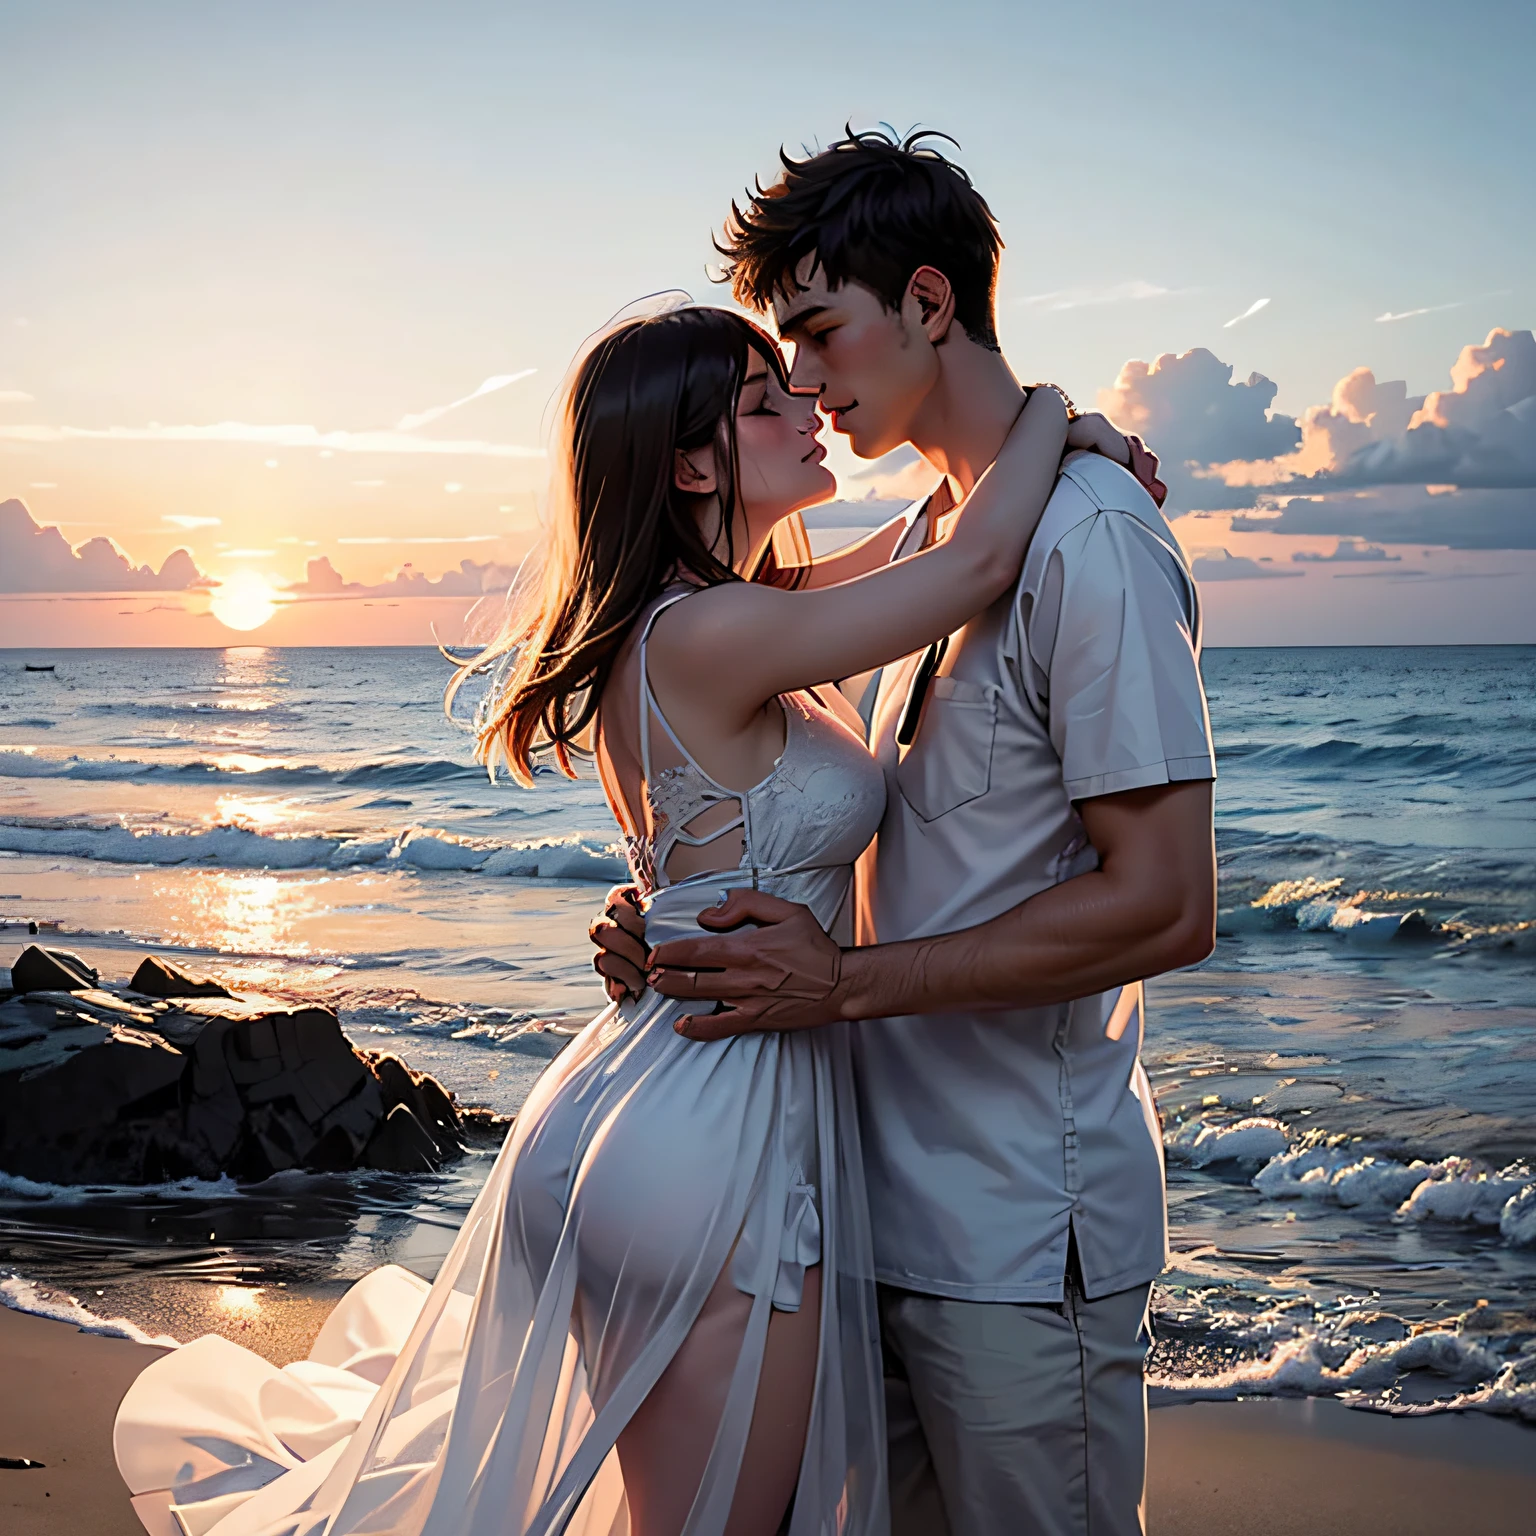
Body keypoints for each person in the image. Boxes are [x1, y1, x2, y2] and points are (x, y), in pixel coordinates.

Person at [113, 292, 1112, 1536]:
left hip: (653, 1103)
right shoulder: (724, 629)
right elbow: (971, 567)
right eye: (764, 402)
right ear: (690, 460)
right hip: (718, 1132)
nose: (807, 406)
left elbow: (920, 546)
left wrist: (1019, 459)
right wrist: (1056, 414)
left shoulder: (712, 615)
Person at [590, 129, 1218, 1536]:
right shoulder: (943, 540)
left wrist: (844, 981)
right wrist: (679, 920)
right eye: (774, 366)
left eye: (816, 331)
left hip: (1013, 1232)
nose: (803, 382)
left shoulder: (1088, 541)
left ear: (929, 305)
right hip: (852, 1213)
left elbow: (1171, 906)